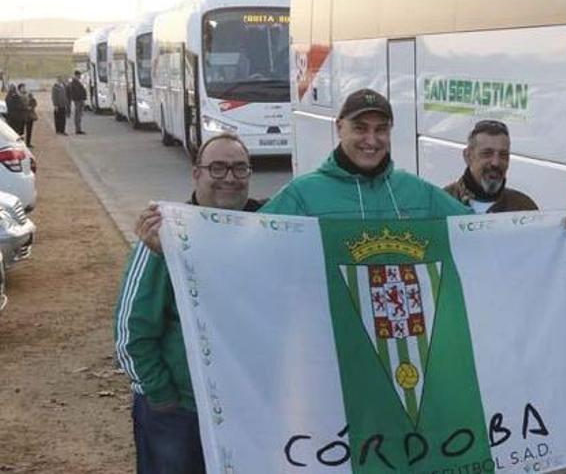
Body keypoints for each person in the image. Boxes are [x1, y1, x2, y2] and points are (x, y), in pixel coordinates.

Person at [114, 134, 261, 474]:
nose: (229, 178)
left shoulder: (261, 229)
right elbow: (131, 331)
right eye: (218, 168)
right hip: (181, 410)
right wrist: (162, 395)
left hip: (245, 408)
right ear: (196, 174)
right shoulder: (161, 235)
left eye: (239, 168)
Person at [260, 88, 469, 219]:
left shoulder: (418, 192)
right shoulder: (301, 195)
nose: (371, 139)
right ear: (339, 127)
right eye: (360, 128)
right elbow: (251, 243)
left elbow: (476, 230)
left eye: (381, 129)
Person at [443, 119, 538, 213]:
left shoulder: (524, 208)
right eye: (487, 153)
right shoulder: (442, 203)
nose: (496, 163)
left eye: (503, 154)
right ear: (468, 156)